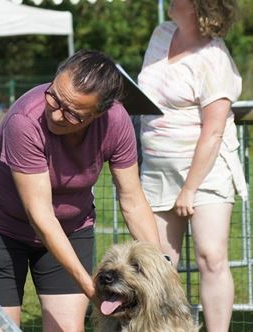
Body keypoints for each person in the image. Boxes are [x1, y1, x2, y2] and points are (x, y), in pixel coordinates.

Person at [0, 49, 162, 331]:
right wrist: (89, 286)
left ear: (99, 112)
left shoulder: (117, 122)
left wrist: (158, 269)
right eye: (54, 98)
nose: (57, 114)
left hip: (71, 227)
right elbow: (40, 215)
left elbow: (132, 199)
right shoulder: (24, 121)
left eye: (73, 113)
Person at [137, 1, 247, 331]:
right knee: (157, 262)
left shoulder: (214, 58)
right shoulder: (161, 33)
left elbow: (212, 132)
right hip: (156, 168)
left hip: (205, 171)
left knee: (211, 258)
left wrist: (189, 189)